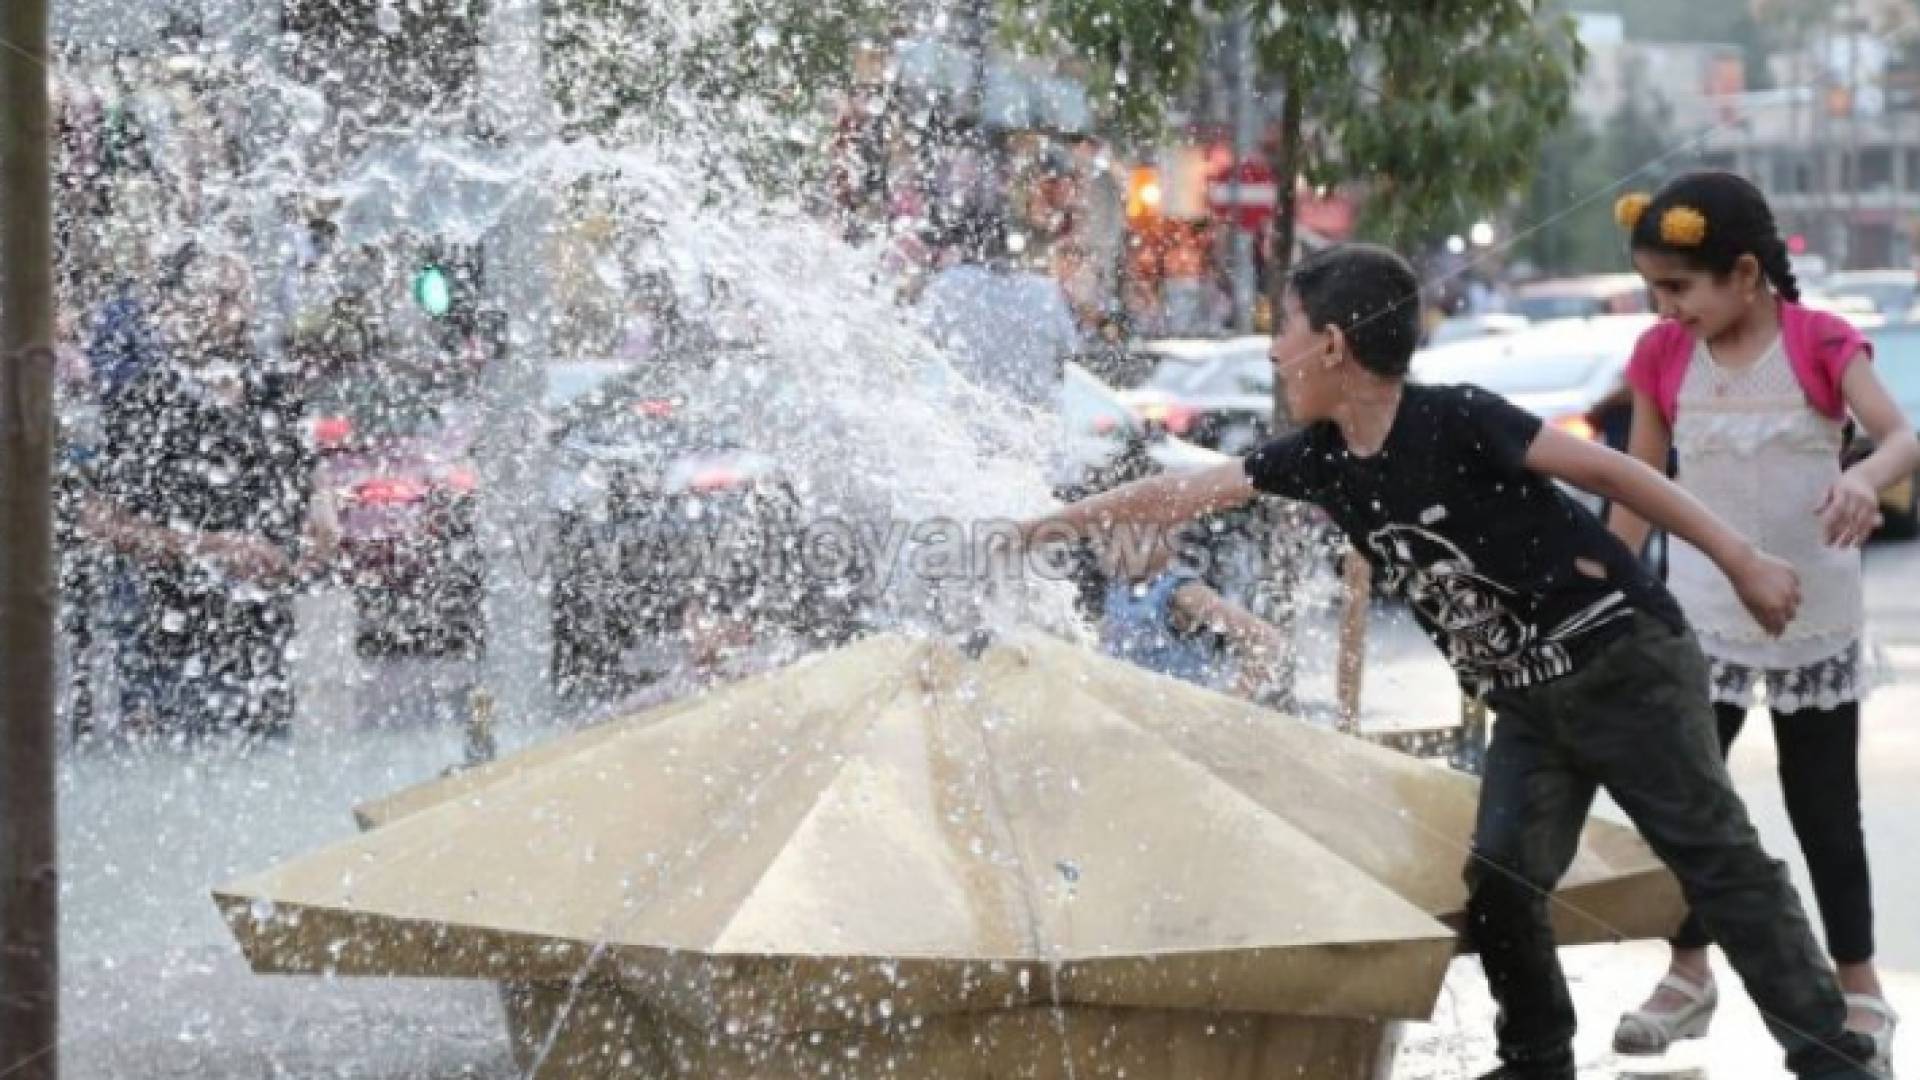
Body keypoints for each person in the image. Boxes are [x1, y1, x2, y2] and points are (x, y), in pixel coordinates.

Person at [1009, 243, 1884, 1079]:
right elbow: (1179, 492)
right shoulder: (1317, 460)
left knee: (1718, 863)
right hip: (1530, 704)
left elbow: (1620, 475)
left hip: (1623, 663)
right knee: (1501, 879)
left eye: (1284, 329)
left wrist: (1741, 559)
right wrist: (1043, 526)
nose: (1274, 351)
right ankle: (1536, 1059)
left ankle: (1833, 1061)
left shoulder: (1459, 418)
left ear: (1332, 345)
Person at [1606, 172, 1914, 1068]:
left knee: (1826, 810)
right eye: (1655, 290)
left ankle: (1860, 990)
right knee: (1695, 805)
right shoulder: (1661, 356)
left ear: (1743, 274)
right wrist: (1613, 592)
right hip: (1700, 620)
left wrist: (1863, 476)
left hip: (1815, 616)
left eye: (1679, 288)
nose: (1666, 308)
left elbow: (1901, 436)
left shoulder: (1818, 341)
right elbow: (1636, 484)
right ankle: (1688, 970)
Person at [82, 254, 338, 743]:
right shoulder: (147, 401)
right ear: (175, 308)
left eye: (241, 298)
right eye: (220, 299)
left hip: (265, 646)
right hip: (173, 653)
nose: (235, 314)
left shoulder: (274, 391)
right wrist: (216, 549)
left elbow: (312, 474)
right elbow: (99, 522)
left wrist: (322, 521)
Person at [919, 205, 1079, 413]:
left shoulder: (950, 284)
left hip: (966, 418)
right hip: (1034, 424)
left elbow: (918, 343)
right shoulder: (1045, 292)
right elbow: (1070, 350)